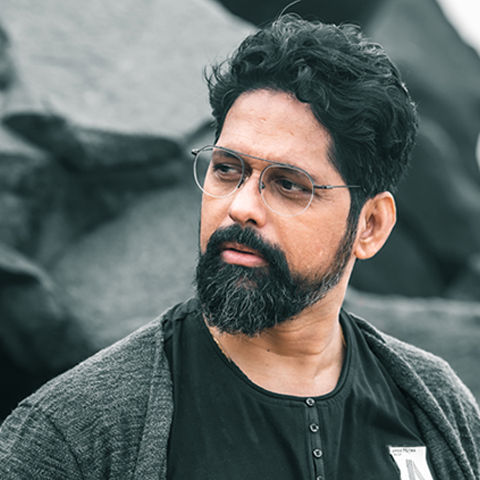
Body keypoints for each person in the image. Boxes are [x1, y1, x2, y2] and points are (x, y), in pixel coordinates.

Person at [0, 14, 479, 480]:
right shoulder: (75, 432)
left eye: (289, 184)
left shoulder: (438, 407)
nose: (240, 207)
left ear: (370, 226)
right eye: (227, 170)